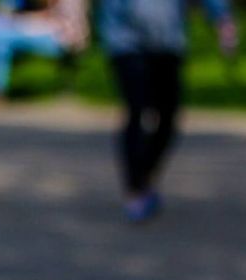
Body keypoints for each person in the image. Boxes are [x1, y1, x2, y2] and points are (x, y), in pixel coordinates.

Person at [99, 0, 238, 223]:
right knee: (137, 109)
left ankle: (145, 176)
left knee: (169, 116)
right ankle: (135, 189)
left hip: (168, 41)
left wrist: (222, 19)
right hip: (125, 41)